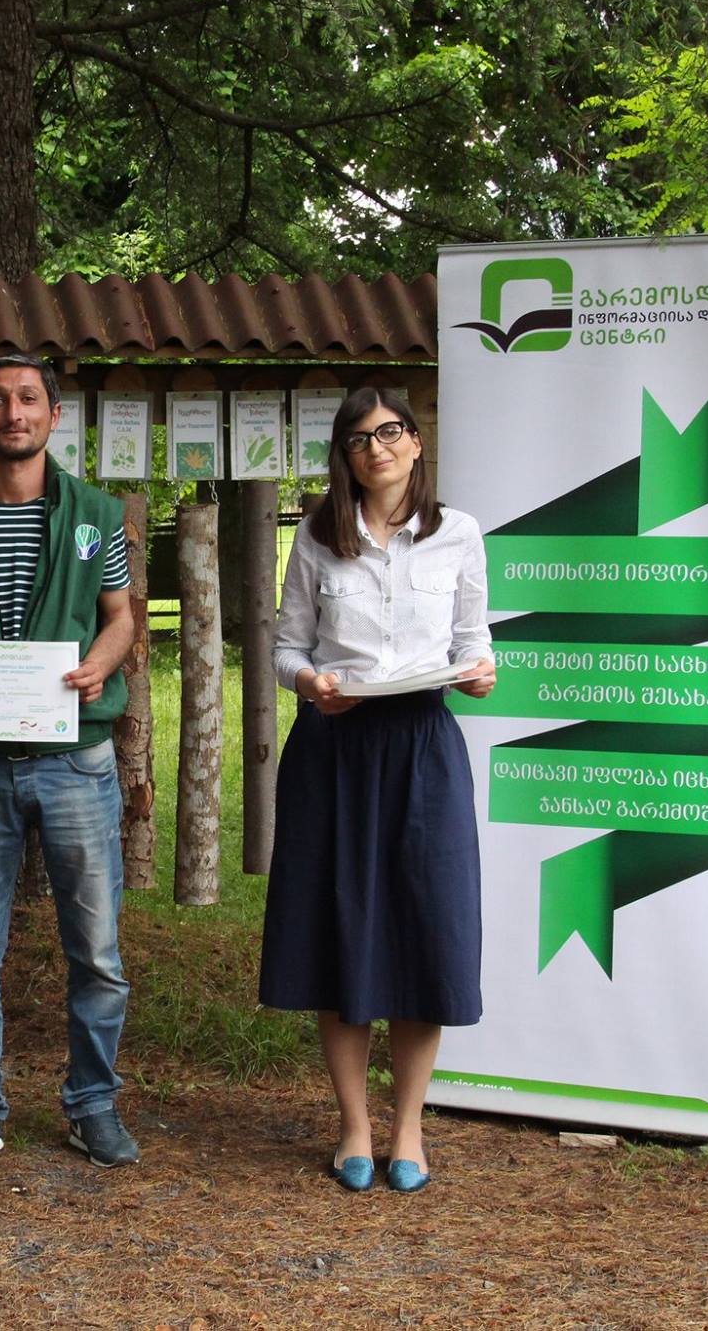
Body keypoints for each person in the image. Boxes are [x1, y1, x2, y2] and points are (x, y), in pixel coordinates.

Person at [258, 385, 496, 1194]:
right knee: (341, 930)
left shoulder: (458, 533)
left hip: (424, 748)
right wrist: (311, 683)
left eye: (390, 432)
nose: (377, 449)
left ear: (416, 442)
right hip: (336, 749)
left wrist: (481, 673)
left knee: (426, 930)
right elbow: (286, 647)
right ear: (345, 455)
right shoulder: (317, 537)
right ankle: (354, 1127)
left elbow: (472, 640)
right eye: (359, 439)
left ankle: (409, 1130)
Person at [0, 353, 139, 1173]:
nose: (15, 413)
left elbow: (121, 617)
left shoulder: (94, 513)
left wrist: (101, 665)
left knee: (98, 953)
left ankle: (93, 1104)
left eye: (30, 399)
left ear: (53, 415)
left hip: (75, 759)